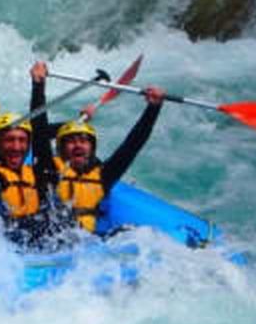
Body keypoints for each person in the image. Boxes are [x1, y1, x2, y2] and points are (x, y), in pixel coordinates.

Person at [29, 61, 165, 236]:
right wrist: (38, 85)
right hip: (47, 241)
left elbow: (132, 145)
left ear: (92, 148)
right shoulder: (48, 170)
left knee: (128, 232)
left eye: (84, 141)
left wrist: (153, 108)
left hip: (87, 245)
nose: (78, 145)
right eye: (71, 141)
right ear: (61, 148)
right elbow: (39, 128)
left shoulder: (103, 176)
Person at [0, 111, 72, 250]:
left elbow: (41, 132)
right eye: (9, 140)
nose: (16, 147)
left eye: (22, 140)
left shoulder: (38, 173)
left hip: (40, 246)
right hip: (7, 249)